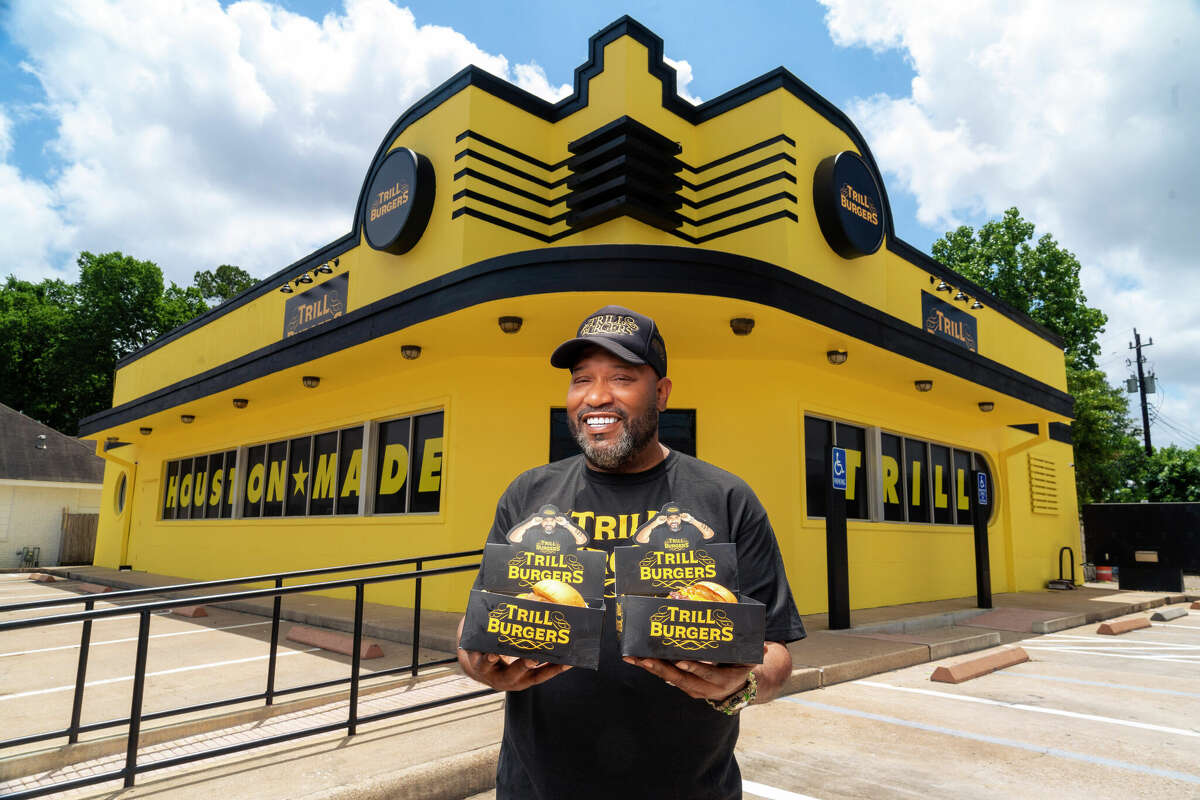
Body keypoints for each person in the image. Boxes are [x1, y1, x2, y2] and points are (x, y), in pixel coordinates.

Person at [457, 304, 805, 800]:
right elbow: (476, 627)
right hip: (535, 789)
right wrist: (482, 666)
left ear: (661, 393)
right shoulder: (527, 494)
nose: (596, 396)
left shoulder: (726, 498)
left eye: (621, 377)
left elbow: (775, 652)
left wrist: (740, 686)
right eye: (581, 380)